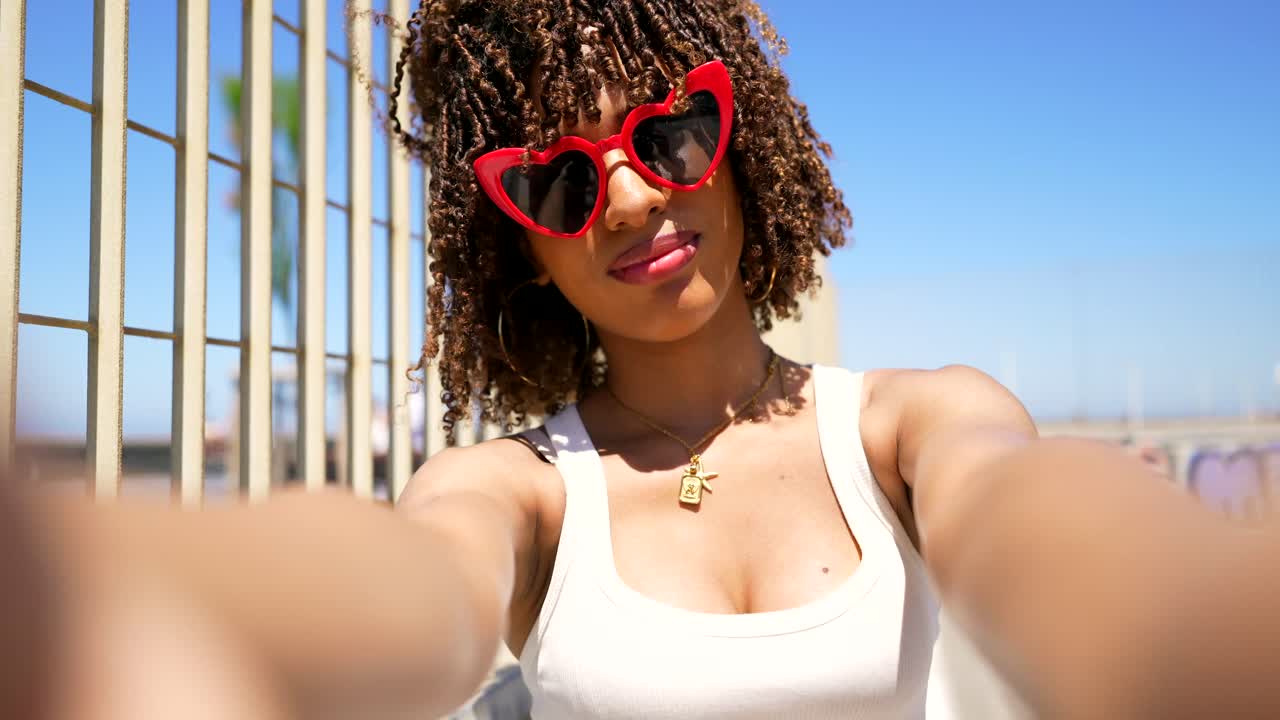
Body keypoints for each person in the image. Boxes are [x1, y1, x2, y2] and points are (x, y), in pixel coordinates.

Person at [6, 1, 1278, 718]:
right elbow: (407, 585)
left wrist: (1207, 624)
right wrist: (87, 601)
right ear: (519, 247)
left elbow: (1047, 531)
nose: (623, 199)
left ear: (740, 145)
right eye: (557, 179)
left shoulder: (911, 426)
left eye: (665, 137)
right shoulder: (521, 496)